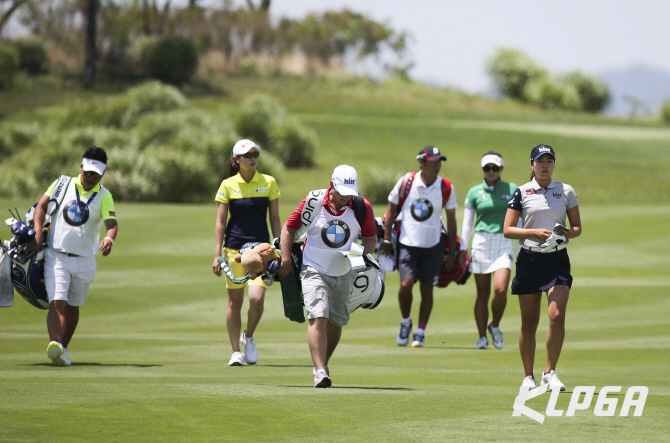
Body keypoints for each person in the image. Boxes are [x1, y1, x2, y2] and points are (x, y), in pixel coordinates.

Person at [278, 165, 377, 388]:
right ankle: (320, 371)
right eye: (342, 192)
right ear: (331, 185)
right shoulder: (313, 201)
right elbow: (289, 228)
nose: (346, 197)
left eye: (349, 193)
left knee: (336, 321)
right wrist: (285, 259)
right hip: (313, 267)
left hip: (343, 270)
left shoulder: (362, 206)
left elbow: (371, 240)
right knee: (318, 315)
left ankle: (321, 364)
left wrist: (359, 251)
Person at [28, 146, 118, 366]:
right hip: (56, 254)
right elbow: (41, 207)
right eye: (88, 173)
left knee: (74, 307)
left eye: (96, 175)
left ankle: (63, 348)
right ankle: (55, 344)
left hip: (85, 259)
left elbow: (111, 223)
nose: (90, 177)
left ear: (102, 174)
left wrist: (109, 238)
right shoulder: (62, 184)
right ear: (81, 168)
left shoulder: (104, 195)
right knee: (57, 302)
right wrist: (38, 234)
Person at [503, 144, 581, 391]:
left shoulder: (565, 191)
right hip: (530, 260)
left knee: (557, 316)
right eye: (540, 161)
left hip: (557, 260)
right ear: (532, 165)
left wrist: (564, 234)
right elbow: (508, 229)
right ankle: (528, 377)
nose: (545, 165)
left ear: (554, 164)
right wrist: (533, 232)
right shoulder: (522, 192)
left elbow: (577, 227)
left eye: (549, 160)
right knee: (529, 322)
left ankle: (550, 372)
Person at [380, 146, 458, 348]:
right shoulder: (407, 182)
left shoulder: (446, 187)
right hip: (407, 243)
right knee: (406, 285)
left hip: (433, 245)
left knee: (427, 288)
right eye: (433, 162)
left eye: (439, 161)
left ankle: (420, 332)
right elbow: (390, 211)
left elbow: (451, 220)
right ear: (422, 163)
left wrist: (452, 251)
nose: (437, 165)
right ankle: (406, 322)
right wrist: (387, 240)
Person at [213, 139, 281, 367]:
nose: (253, 157)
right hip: (233, 249)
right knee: (235, 302)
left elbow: (274, 218)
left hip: (260, 250)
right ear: (237, 159)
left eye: (255, 153)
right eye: (247, 154)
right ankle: (235, 352)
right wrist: (216, 254)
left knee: (257, 298)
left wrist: (280, 247)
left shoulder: (268, 182)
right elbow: (221, 222)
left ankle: (248, 336)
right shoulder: (228, 185)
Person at [459, 152, 517, 350]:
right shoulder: (474, 192)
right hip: (481, 242)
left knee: (500, 289)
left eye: (495, 168)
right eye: (487, 168)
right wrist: (461, 246)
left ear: (501, 169)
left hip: (504, 241)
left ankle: (495, 325)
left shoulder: (512, 189)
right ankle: (482, 336)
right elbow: (468, 222)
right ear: (483, 170)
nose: (491, 172)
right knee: (482, 293)